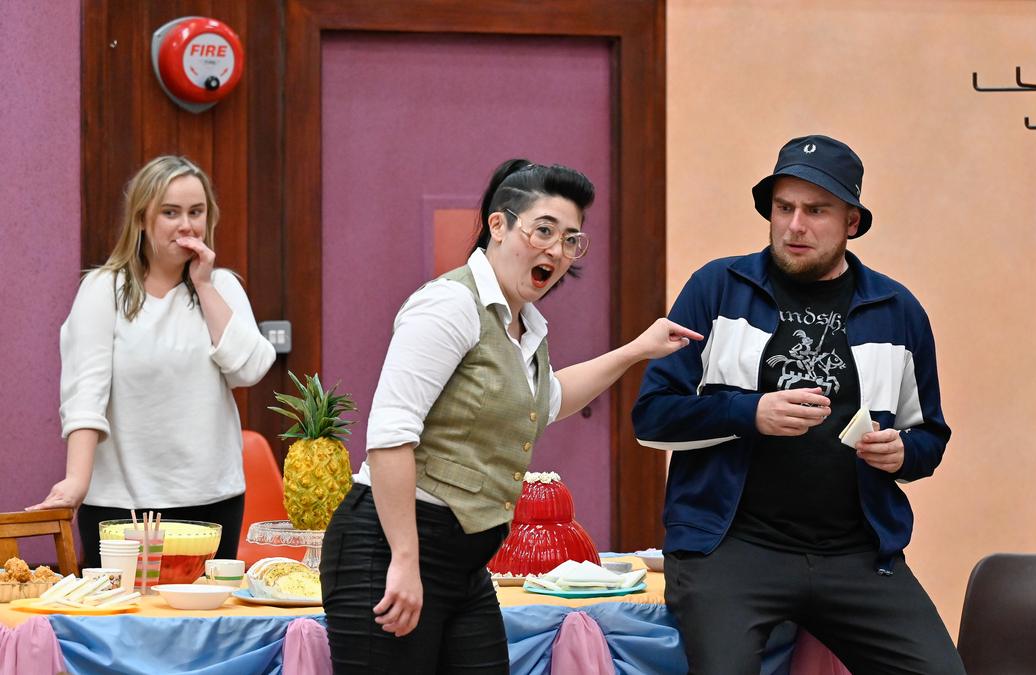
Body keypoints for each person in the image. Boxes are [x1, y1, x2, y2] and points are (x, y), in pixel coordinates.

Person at [320, 159, 701, 674]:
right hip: (389, 544)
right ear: (497, 226)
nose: (556, 251)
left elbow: (548, 401)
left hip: (465, 561)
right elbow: (389, 436)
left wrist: (636, 349)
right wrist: (404, 560)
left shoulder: (525, 327)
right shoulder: (450, 304)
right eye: (543, 230)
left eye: (571, 240)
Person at [632, 136, 965, 675]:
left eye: (816, 210)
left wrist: (901, 453)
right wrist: (749, 414)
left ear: (852, 221)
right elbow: (652, 418)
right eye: (783, 208)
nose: (795, 225)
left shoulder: (898, 311)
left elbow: (930, 439)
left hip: (857, 557)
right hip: (730, 551)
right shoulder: (718, 289)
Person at [28, 156, 276, 563]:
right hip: (118, 505)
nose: (186, 225)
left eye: (196, 212)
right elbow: (85, 396)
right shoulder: (103, 289)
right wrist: (76, 482)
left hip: (212, 499)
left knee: (203, 622)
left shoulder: (223, 286)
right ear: (142, 219)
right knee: (121, 622)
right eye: (170, 212)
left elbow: (247, 371)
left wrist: (204, 285)